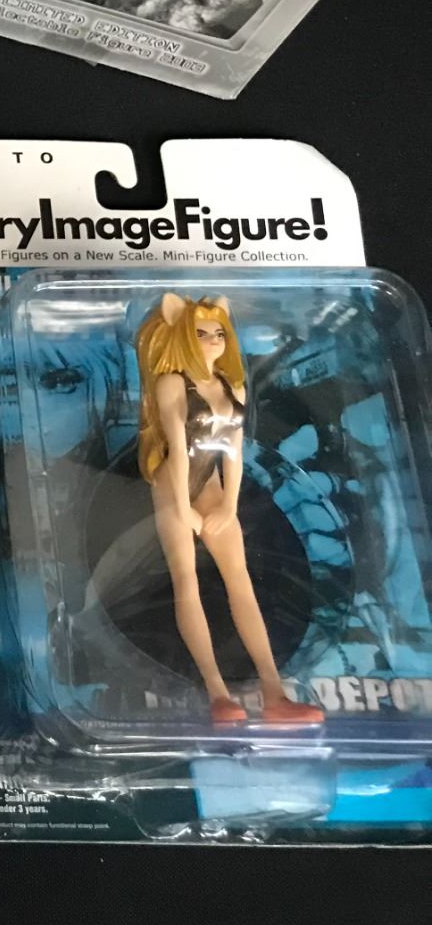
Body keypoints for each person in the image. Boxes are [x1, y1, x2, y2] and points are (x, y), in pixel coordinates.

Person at [136, 293, 321, 725]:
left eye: (218, 333)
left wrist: (230, 505)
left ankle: (274, 693)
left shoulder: (232, 386)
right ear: (182, 336)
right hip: (172, 486)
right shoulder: (171, 383)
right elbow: (177, 450)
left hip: (214, 488)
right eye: (201, 334)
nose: (213, 341)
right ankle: (217, 693)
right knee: (187, 582)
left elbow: (234, 452)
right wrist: (183, 509)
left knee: (241, 583)